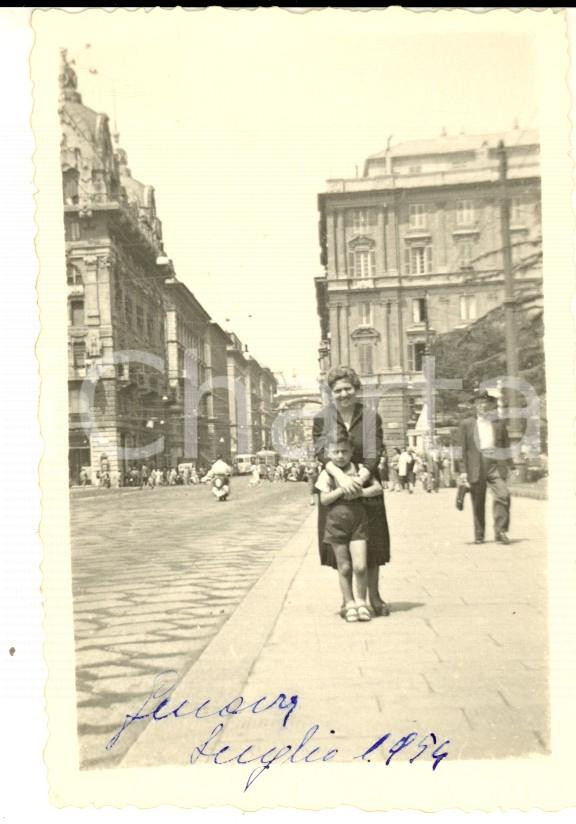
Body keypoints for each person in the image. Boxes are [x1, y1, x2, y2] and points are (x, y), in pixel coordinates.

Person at [313, 365, 391, 617]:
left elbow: (374, 452)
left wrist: (359, 479)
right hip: (334, 483)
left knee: (373, 543)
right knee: (342, 544)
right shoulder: (322, 418)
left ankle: (374, 597)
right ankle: (349, 600)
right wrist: (339, 477)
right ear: (331, 393)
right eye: (338, 390)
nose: (343, 394)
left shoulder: (370, 417)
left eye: (348, 389)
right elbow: (320, 452)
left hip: (366, 482)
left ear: (356, 390)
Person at [316, 437, 383, 623]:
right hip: (336, 525)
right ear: (328, 454)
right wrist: (342, 489)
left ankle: (362, 602)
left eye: (344, 451)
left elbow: (378, 488)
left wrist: (360, 491)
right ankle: (349, 602)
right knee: (344, 566)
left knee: (360, 566)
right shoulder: (327, 474)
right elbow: (324, 499)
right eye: (336, 452)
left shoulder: (360, 470)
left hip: (358, 523)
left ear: (352, 452)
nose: (340, 456)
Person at [456, 389, 512, 544]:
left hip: (495, 464)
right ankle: (479, 535)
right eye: (479, 403)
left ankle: (500, 531)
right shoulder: (466, 424)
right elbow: (461, 449)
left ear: (491, 405)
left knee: (503, 494)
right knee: (478, 501)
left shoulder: (499, 424)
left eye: (486, 403)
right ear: (475, 406)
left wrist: (511, 466)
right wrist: (463, 472)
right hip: (476, 464)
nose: (483, 406)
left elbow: (506, 446)